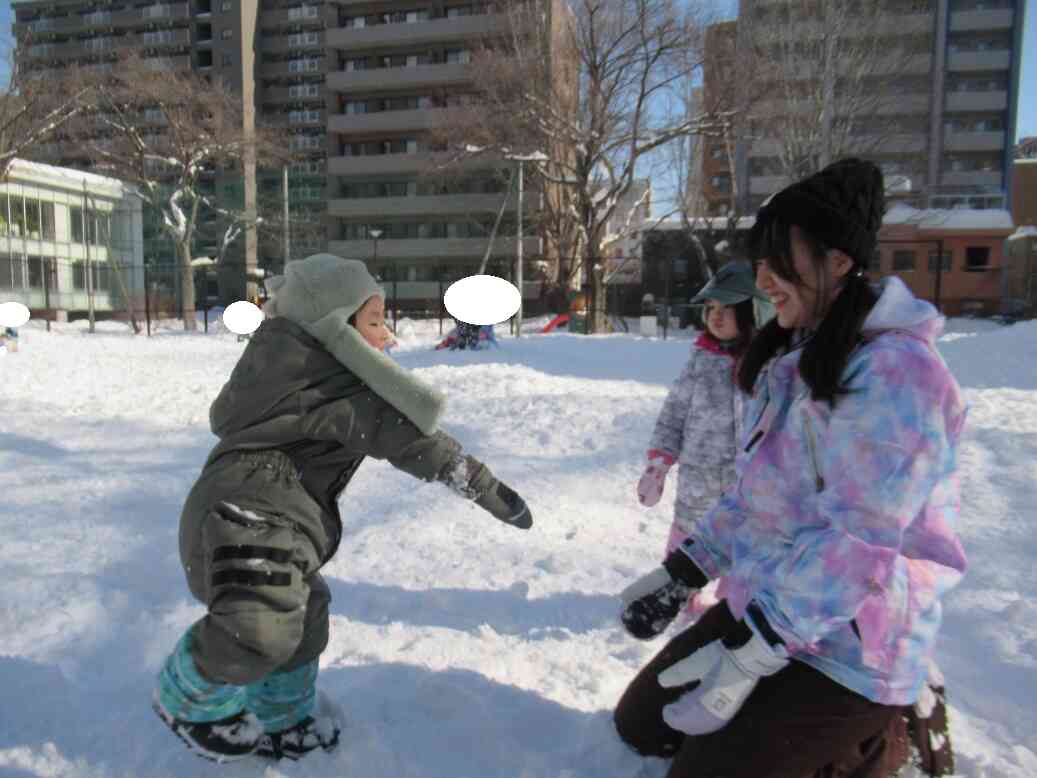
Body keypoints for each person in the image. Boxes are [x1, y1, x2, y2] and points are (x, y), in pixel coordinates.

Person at [614, 159, 967, 777]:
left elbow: (860, 540)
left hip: (858, 634)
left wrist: (755, 650)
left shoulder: (898, 378)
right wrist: (684, 570)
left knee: (703, 773)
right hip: (773, 603)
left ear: (837, 261)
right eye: (762, 264)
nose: (766, 280)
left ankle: (890, 732)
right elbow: (761, 498)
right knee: (642, 723)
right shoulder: (796, 357)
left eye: (782, 262)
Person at [153, 254, 533, 763]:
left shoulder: (292, 366)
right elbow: (420, 444)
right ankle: (188, 698)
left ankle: (281, 718)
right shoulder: (332, 385)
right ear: (333, 324)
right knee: (260, 627)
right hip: (249, 512)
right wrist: (487, 489)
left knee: (306, 613)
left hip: (271, 516)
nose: (388, 335)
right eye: (374, 321)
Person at [636, 262, 768, 621]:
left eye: (727, 309)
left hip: (750, 482)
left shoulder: (770, 364)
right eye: (711, 309)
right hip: (700, 476)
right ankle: (678, 594)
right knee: (689, 538)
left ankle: (732, 603)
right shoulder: (700, 359)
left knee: (745, 545)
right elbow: (675, 411)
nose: (716, 317)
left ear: (753, 312)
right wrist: (660, 460)